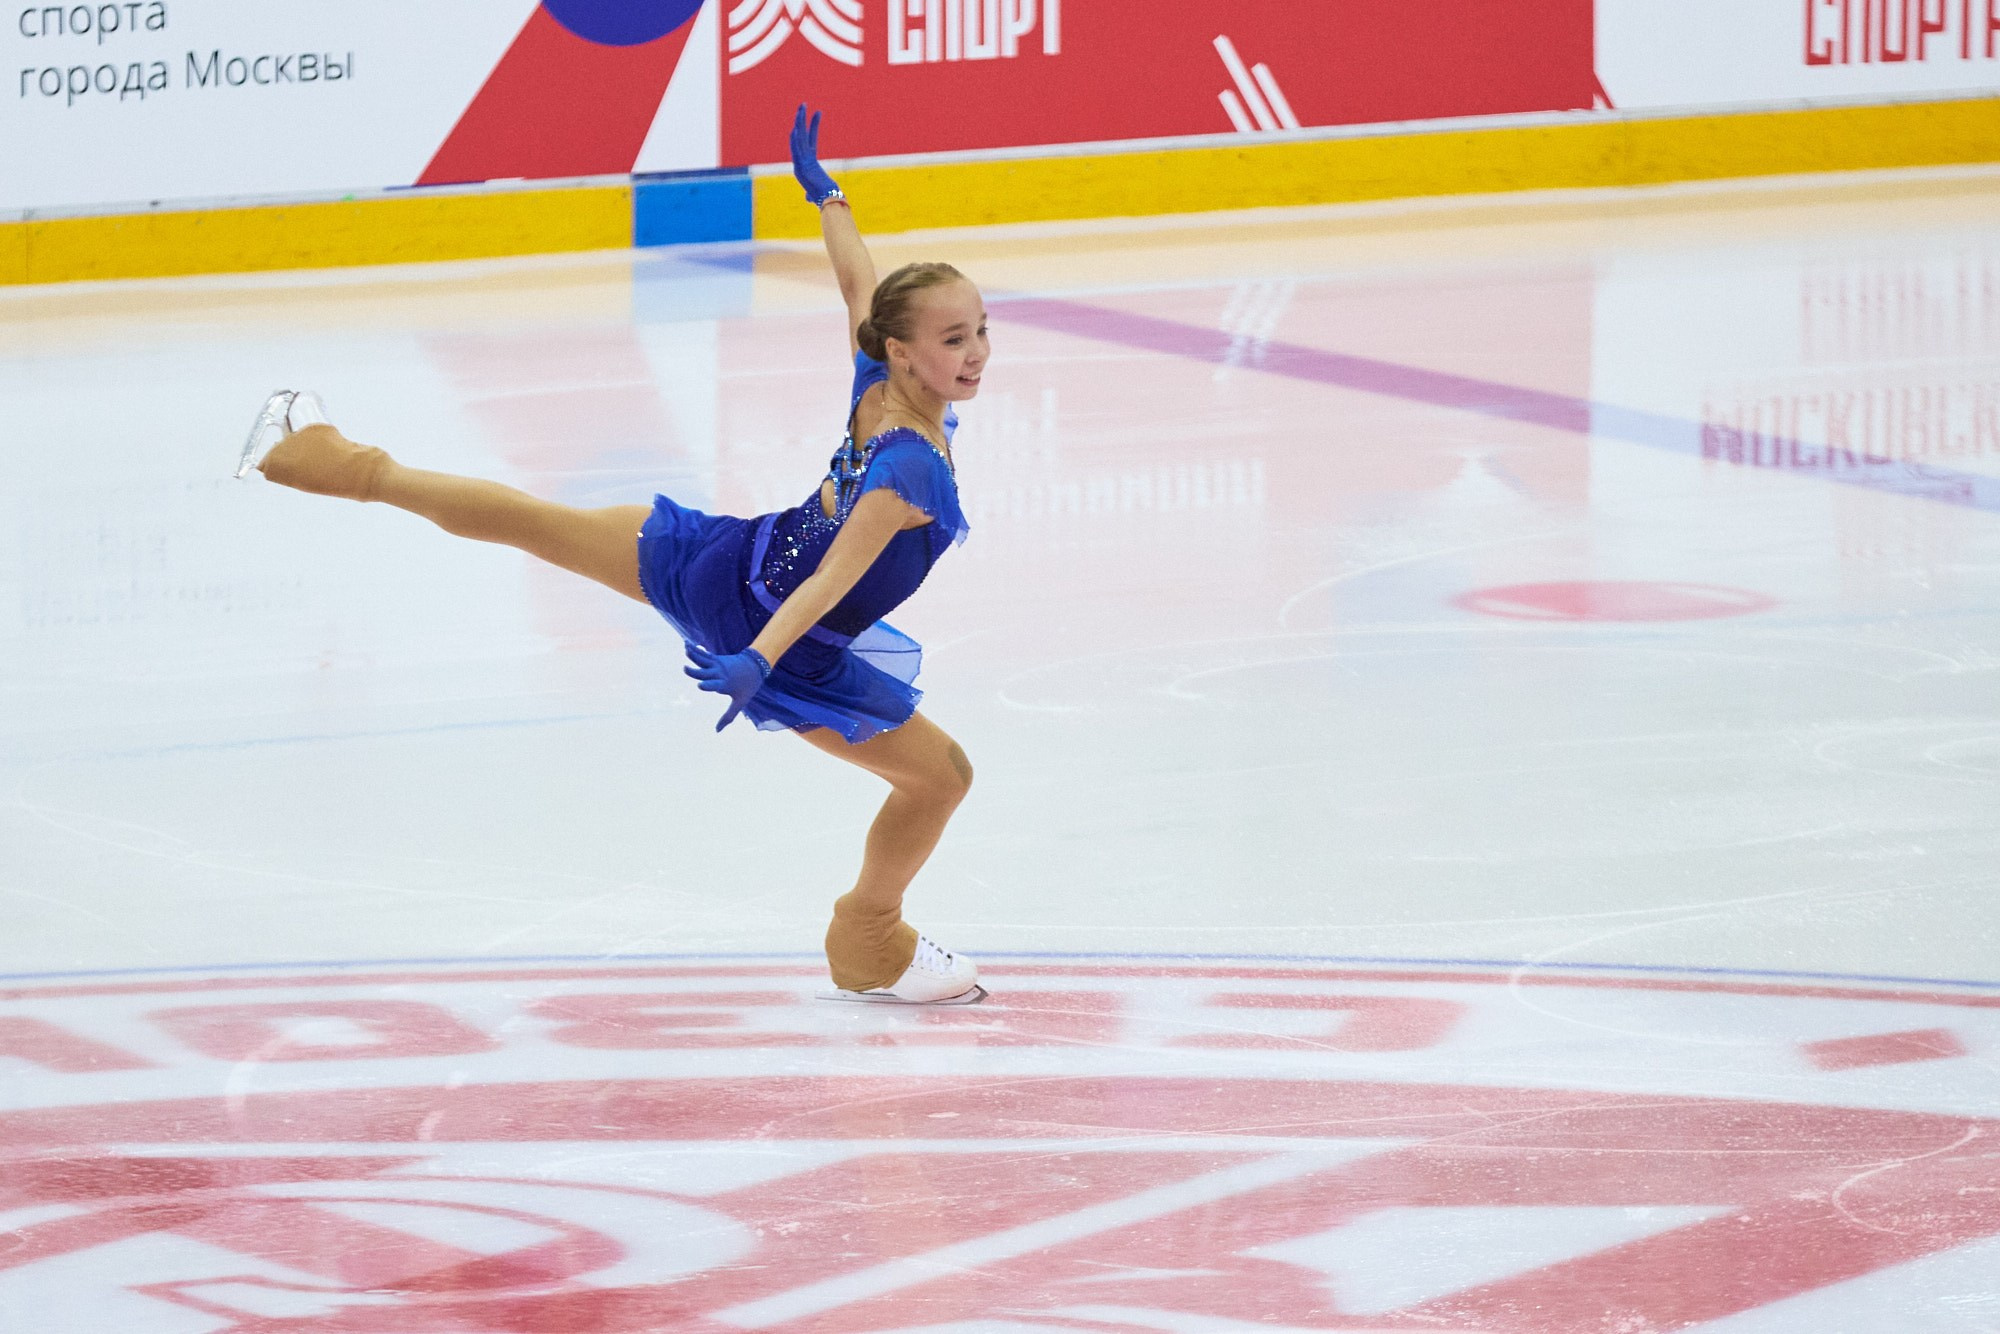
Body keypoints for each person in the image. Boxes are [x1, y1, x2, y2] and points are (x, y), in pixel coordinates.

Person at [237, 106, 989, 1005]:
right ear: (906, 354)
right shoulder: (911, 469)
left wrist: (828, 196)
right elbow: (833, 578)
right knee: (941, 780)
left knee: (534, 522)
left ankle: (326, 461)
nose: (976, 353)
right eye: (955, 340)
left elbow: (855, 281)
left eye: (981, 329)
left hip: (723, 558)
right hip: (777, 627)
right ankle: (867, 936)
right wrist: (759, 658)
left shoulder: (879, 375)